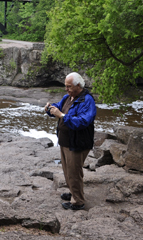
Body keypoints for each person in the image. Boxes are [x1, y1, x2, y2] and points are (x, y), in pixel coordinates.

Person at [45, 72, 96, 210]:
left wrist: (61, 115)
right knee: (67, 171)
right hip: (65, 141)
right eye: (65, 86)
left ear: (78, 85)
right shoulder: (68, 97)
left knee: (74, 173)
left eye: (69, 86)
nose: (66, 89)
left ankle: (78, 201)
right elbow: (59, 107)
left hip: (77, 143)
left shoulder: (87, 100)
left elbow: (82, 122)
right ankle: (73, 193)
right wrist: (50, 109)